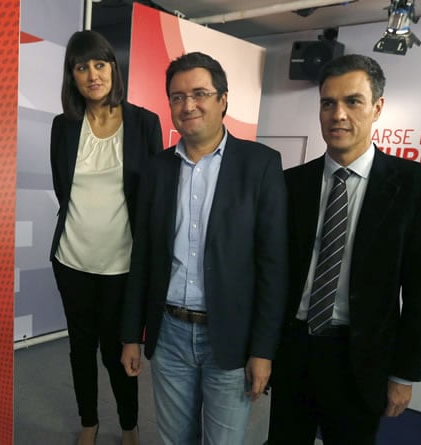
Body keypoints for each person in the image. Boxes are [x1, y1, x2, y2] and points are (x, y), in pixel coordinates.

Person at [267, 54, 421, 445]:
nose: (338, 114)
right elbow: (273, 273)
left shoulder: (417, 186)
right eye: (328, 103)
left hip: (361, 358)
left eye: (353, 101)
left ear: (377, 107)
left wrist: (404, 374)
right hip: (295, 349)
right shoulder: (291, 183)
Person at [120, 51, 288, 444]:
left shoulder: (260, 164)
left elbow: (273, 265)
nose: (188, 105)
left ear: (223, 99)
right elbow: (142, 256)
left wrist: (263, 350)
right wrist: (131, 334)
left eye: (199, 93)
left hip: (229, 336)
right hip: (170, 334)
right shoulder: (156, 168)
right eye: (177, 97)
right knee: (174, 439)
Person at [49, 30, 163, 445]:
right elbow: (65, 190)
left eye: (100, 64)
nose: (92, 74)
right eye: (82, 67)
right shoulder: (63, 126)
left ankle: (129, 425)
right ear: (72, 76)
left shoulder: (144, 123)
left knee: (120, 354)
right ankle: (89, 422)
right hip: (72, 259)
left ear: (114, 68)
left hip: (122, 264)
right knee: (80, 349)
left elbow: (151, 198)